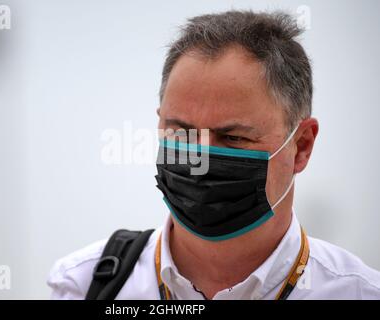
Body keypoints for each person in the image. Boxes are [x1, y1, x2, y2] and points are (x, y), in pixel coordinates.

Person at [47, 10, 380, 300]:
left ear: (302, 146)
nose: (200, 158)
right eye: (181, 132)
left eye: (233, 137)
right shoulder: (84, 285)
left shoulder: (359, 293)